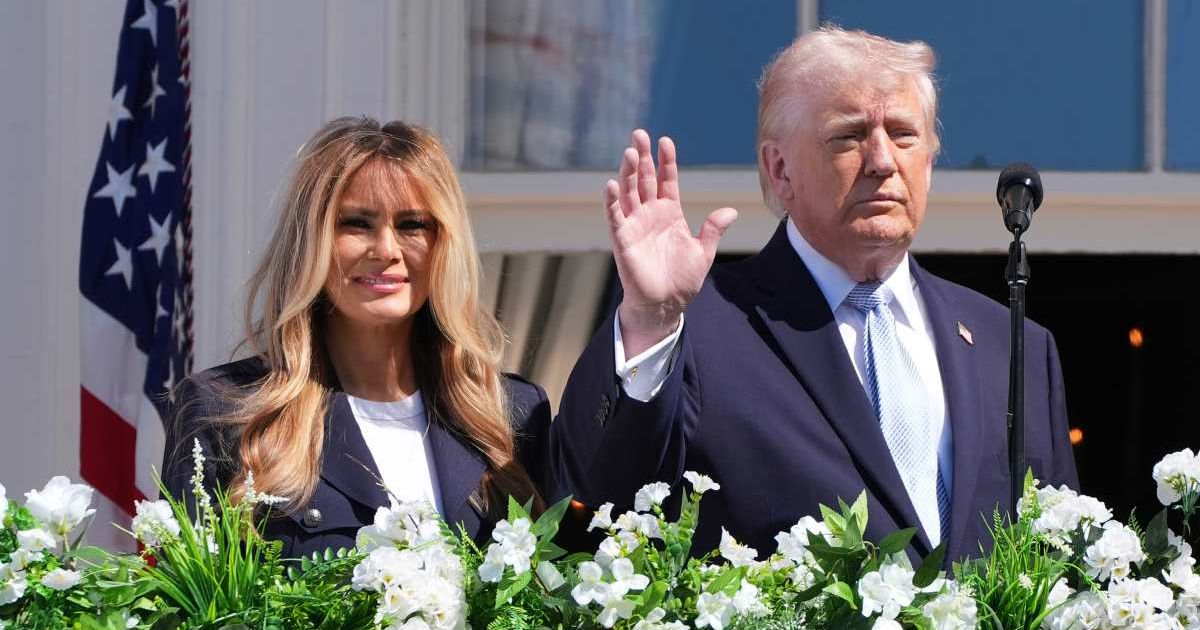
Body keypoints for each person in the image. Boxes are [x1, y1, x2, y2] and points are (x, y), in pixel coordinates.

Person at [553, 26, 1078, 564]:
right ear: (780, 170)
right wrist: (650, 318)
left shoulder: (1010, 344)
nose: (881, 160)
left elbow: (1059, 561)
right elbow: (594, 504)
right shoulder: (700, 328)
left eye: (903, 135)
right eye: (848, 136)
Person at [162, 117, 554, 558]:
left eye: (412, 225)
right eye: (357, 224)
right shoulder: (226, 411)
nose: (386, 249)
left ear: (445, 243)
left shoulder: (513, 416)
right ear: (311, 241)